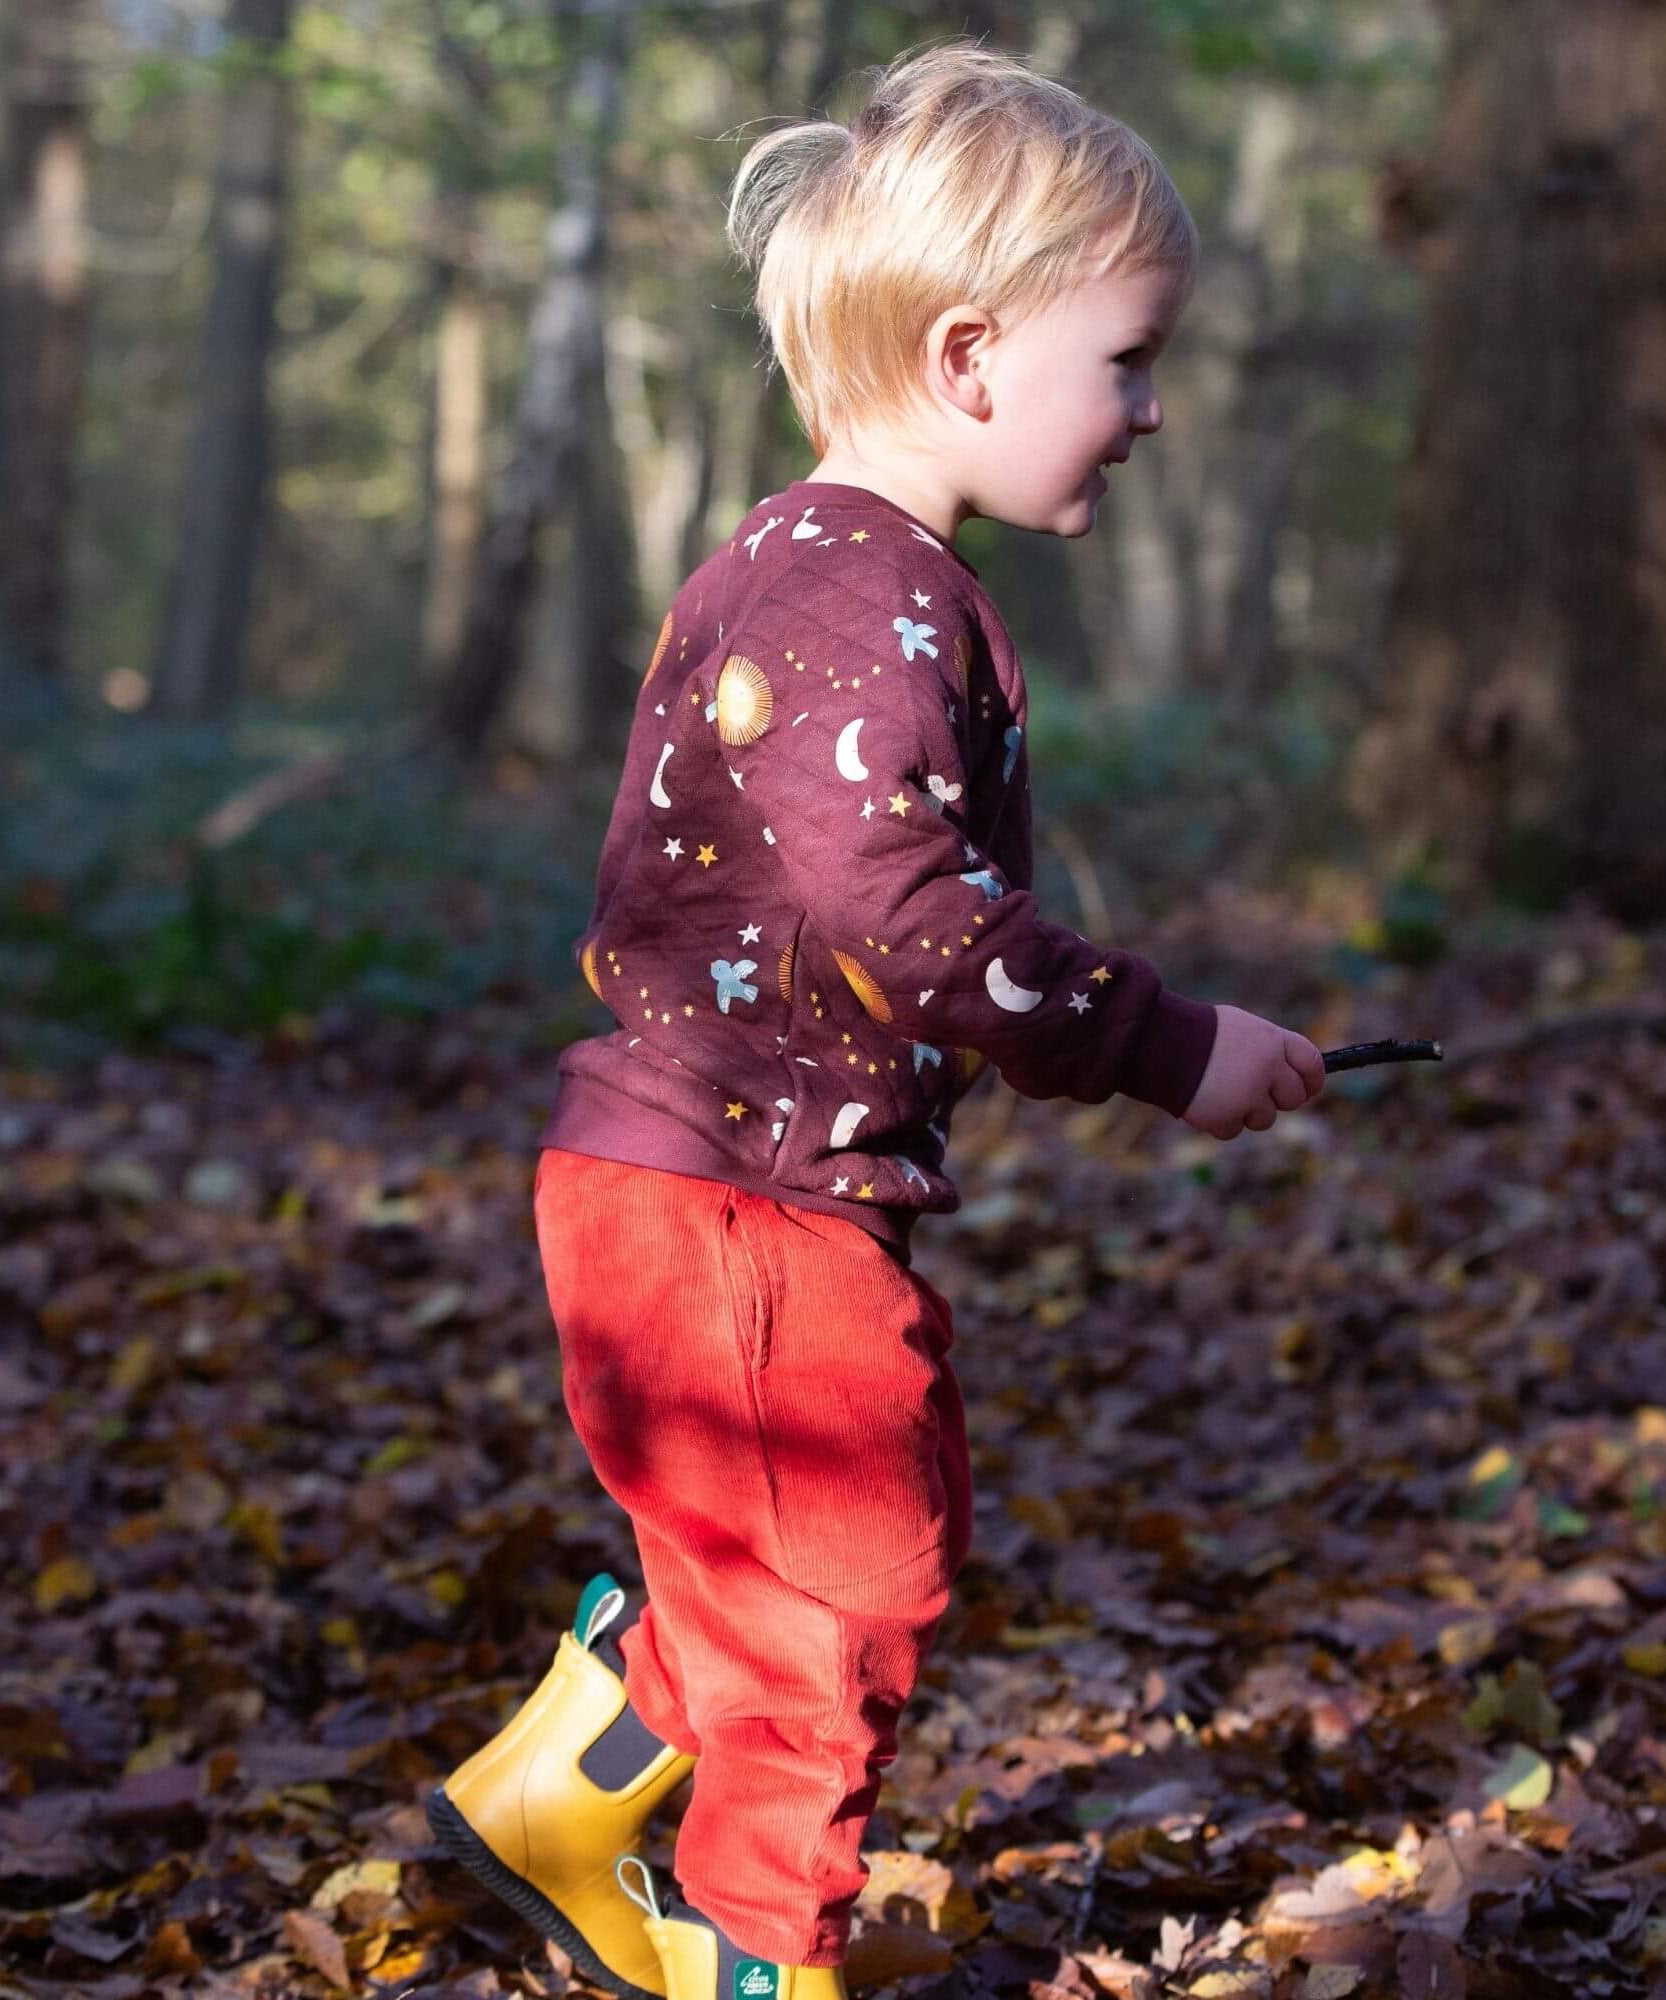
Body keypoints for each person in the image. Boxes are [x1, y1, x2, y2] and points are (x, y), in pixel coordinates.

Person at [427, 37, 1326, 2000]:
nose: (1148, 410)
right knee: (843, 1596)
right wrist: (1169, 1045)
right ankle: (763, 1960)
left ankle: (555, 1796)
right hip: (738, 1205)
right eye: (1125, 361)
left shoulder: (810, 568)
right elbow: (901, 917)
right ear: (968, 355)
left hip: (694, 1185)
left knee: (801, 1556)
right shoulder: (865, 595)